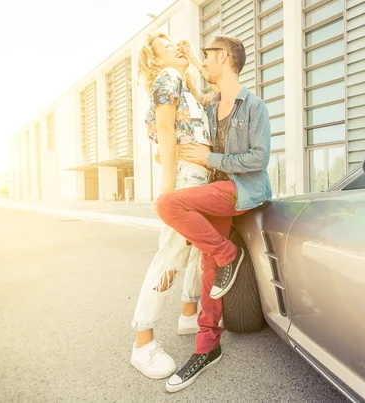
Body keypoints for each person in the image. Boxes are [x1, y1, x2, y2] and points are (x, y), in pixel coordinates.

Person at [155, 34, 272, 392]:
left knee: (167, 203)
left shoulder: (254, 106)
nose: (202, 63)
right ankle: (208, 346)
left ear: (223, 58)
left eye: (207, 57)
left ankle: (228, 255)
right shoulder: (209, 105)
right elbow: (189, 98)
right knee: (209, 268)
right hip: (216, 192)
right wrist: (171, 155)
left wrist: (210, 159)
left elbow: (259, 158)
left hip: (243, 190)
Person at [129, 31, 217, 380]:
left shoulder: (185, 84)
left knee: (196, 252)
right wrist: (167, 184)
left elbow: (221, 94)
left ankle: (188, 315)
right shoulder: (166, 78)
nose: (177, 46)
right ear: (155, 60)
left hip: (198, 175)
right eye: (168, 46)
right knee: (172, 253)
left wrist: (194, 59)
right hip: (183, 177)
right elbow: (165, 128)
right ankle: (142, 343)